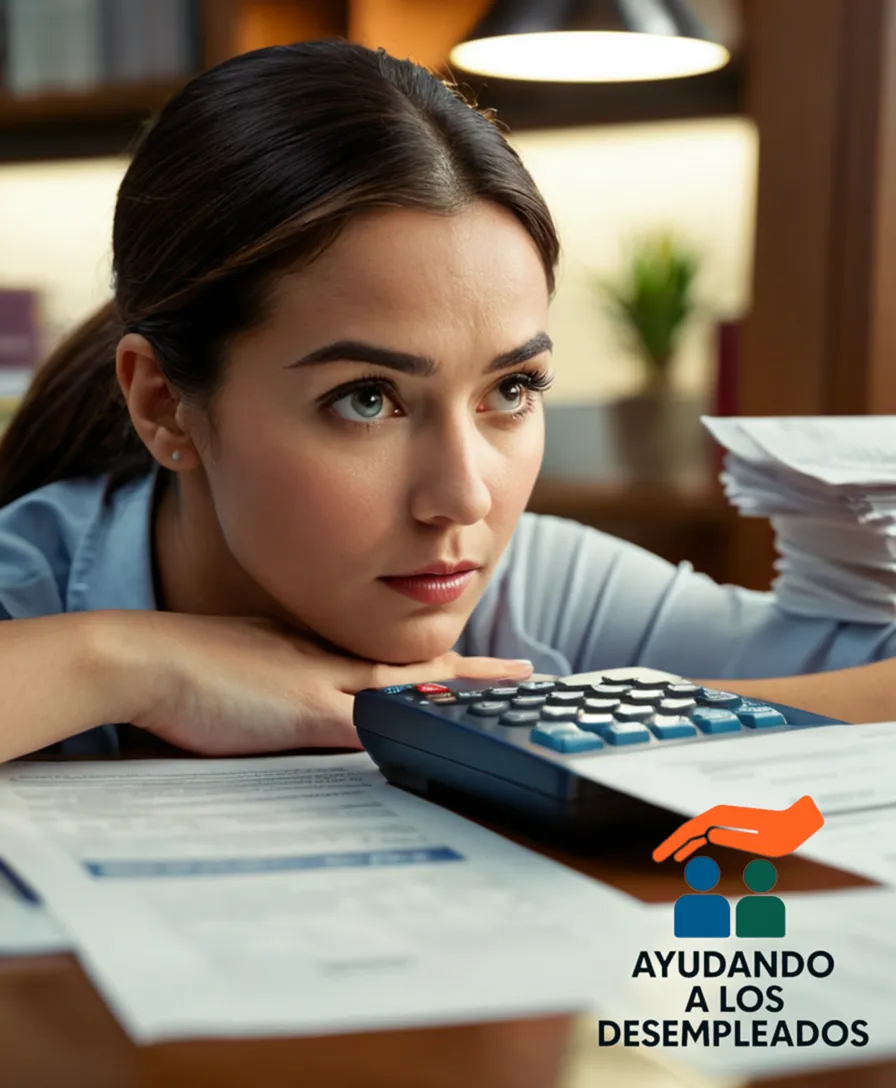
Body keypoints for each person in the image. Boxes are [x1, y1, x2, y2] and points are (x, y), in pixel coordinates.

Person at [2, 40, 896, 766]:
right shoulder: (34, 584)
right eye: (366, 399)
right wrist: (130, 663)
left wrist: (560, 720)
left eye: (512, 389)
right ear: (165, 405)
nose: (465, 498)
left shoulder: (533, 590)